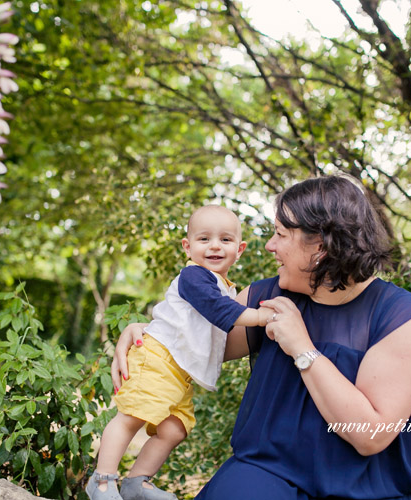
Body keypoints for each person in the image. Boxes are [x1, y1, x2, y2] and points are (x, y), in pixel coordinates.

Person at [112, 176, 411, 500]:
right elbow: (194, 342)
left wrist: (302, 348)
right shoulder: (266, 296)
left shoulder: (403, 319)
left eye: (280, 234)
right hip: (265, 474)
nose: (269, 246)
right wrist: (143, 332)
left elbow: (371, 437)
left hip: (366, 488)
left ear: (320, 247)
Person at [87, 205, 275, 500]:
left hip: (179, 371)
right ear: (188, 247)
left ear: (239, 250)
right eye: (204, 239)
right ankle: (102, 481)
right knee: (133, 416)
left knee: (174, 430)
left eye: (225, 240)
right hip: (158, 358)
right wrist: (261, 317)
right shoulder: (195, 277)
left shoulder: (223, 286)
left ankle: (137, 483)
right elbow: (221, 311)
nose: (214, 245)